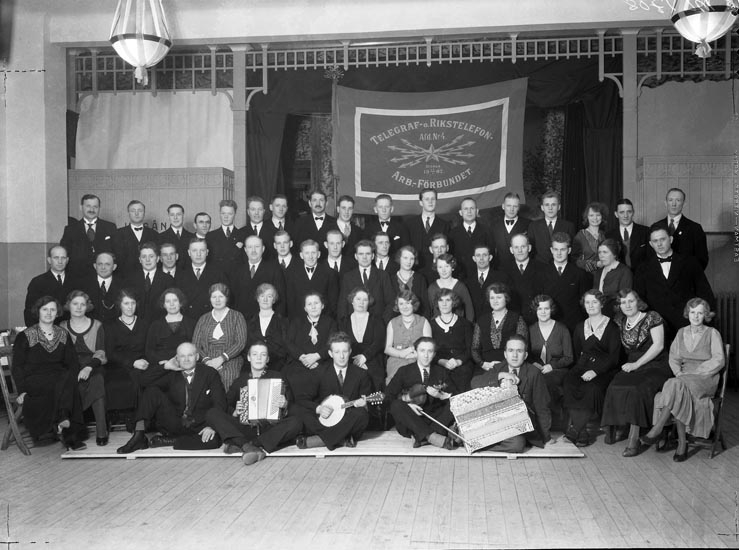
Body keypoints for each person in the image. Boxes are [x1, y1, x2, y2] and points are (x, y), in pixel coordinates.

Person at [641, 298, 725, 462]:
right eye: (693, 312)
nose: (696, 316)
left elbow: (718, 360)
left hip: (705, 377)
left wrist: (698, 372)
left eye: (700, 313)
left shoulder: (712, 333)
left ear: (706, 315)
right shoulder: (681, 332)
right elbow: (674, 357)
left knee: (675, 385)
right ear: (688, 313)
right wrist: (678, 372)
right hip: (683, 378)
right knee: (677, 386)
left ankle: (658, 428)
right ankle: (681, 444)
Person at [116, 342, 227, 453]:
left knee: (215, 440)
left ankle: (171, 441)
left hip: (200, 425)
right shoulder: (171, 372)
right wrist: (166, 366)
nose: (186, 359)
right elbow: (143, 382)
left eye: (190, 355)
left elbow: (220, 403)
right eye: (182, 356)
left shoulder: (210, 373)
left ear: (197, 357)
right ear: (177, 358)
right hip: (175, 422)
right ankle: (139, 435)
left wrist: (211, 426)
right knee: (152, 391)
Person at [204, 341, 303, 465]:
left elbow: (292, 404)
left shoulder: (278, 377)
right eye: (255, 354)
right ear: (249, 358)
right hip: (246, 429)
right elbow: (226, 406)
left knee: (296, 422)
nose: (259, 358)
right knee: (212, 413)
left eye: (263, 355)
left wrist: (285, 404)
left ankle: (247, 445)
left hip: (270, 428)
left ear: (268, 359)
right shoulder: (240, 380)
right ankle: (250, 446)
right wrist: (235, 412)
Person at [600, 289, 670, 456]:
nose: (627, 305)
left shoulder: (652, 317)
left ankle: (634, 439)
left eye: (631, 301)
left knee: (637, 390)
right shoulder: (620, 321)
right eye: (623, 302)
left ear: (638, 302)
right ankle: (613, 430)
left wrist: (637, 364)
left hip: (656, 364)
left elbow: (658, 345)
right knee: (614, 386)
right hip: (632, 364)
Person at [12, 296, 86, 450]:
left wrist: (73, 377)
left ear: (57, 313)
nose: (48, 313)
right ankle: (68, 431)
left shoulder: (63, 334)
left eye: (52, 310)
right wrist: (22, 391)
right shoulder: (25, 336)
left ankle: (64, 420)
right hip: (34, 380)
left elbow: (72, 362)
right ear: (38, 311)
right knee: (63, 382)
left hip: (59, 377)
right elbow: (17, 367)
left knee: (68, 379)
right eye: (44, 309)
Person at [470, 334, 551, 452]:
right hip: (495, 422)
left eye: (519, 351)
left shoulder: (534, 373)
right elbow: (475, 383)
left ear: (525, 355)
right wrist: (501, 375)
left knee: (517, 445)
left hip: (518, 425)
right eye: (511, 350)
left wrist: (545, 436)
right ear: (505, 354)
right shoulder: (498, 368)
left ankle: (476, 444)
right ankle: (476, 440)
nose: (514, 355)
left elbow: (542, 406)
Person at [562, 290, 621, 447]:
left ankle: (575, 430)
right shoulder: (580, 326)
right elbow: (577, 352)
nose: (591, 305)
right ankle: (582, 432)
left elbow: (614, 358)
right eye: (587, 302)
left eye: (594, 302)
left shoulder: (612, 327)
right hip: (583, 366)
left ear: (601, 304)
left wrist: (596, 371)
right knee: (569, 383)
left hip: (605, 369)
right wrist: (583, 368)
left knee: (591, 388)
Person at [294, 332, 372, 450]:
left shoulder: (361, 374)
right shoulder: (319, 372)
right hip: (325, 420)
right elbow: (302, 399)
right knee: (304, 414)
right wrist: (319, 409)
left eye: (345, 351)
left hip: (347, 421)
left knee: (362, 414)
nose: (341, 356)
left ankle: (319, 441)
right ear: (330, 353)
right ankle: (341, 439)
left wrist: (364, 405)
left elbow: (368, 403)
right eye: (337, 352)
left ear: (350, 351)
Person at [634, 225, 714, 339]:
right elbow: (640, 299)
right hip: (657, 328)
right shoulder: (642, 268)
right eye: (655, 241)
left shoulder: (690, 263)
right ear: (651, 244)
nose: (659, 244)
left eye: (662, 239)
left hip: (687, 324)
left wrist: (706, 320)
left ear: (671, 239)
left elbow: (704, 292)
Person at [386, 337, 455, 449]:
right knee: (395, 405)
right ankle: (432, 437)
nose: (426, 355)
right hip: (411, 420)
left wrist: (440, 395)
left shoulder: (441, 371)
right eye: (422, 351)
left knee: (455, 403)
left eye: (430, 351)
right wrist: (408, 406)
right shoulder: (404, 371)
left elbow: (455, 396)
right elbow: (388, 396)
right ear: (415, 352)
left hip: (435, 420)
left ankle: (422, 436)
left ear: (434, 354)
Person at [60, 290, 109, 446]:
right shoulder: (62, 327)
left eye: (83, 304)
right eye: (75, 304)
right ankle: (74, 431)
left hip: (94, 364)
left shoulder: (97, 325)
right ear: (68, 305)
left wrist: (88, 368)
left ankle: (102, 431)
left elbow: (101, 352)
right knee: (69, 385)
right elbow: (61, 355)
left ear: (87, 306)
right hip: (71, 366)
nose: (79, 307)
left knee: (97, 381)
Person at [528, 294, 573, 429]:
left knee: (545, 382)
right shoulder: (530, 330)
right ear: (535, 310)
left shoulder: (562, 329)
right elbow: (528, 355)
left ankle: (548, 424)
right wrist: (535, 365)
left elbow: (569, 357)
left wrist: (552, 366)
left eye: (546, 308)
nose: (543, 312)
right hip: (537, 369)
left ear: (551, 309)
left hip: (558, 370)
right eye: (540, 309)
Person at [192, 283, 247, 391]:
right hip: (207, 360)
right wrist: (207, 361)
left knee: (228, 378)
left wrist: (221, 359)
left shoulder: (237, 316)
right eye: (214, 297)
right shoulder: (203, 319)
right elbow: (195, 345)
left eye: (221, 296)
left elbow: (240, 343)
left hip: (230, 360)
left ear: (226, 298)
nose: (217, 300)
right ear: (210, 299)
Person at [104, 289, 149, 415]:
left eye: (133, 303)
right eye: (126, 303)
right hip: (119, 366)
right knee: (130, 380)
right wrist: (132, 362)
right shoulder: (110, 326)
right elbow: (110, 353)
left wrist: (144, 361)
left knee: (143, 378)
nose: (130, 307)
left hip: (143, 363)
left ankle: (140, 418)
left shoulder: (144, 324)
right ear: (120, 305)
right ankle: (135, 418)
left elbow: (149, 347)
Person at [471, 282, 528, 376]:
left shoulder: (517, 319)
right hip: (486, 367)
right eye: (492, 298)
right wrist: (483, 364)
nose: (495, 301)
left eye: (499, 297)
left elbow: (523, 347)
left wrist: (506, 365)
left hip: (511, 367)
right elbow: (474, 348)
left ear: (506, 298)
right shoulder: (482, 320)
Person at [537, 232, 589, 333]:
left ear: (569, 250)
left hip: (573, 325)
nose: (559, 253)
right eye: (556, 249)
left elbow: (583, 304)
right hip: (549, 324)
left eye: (562, 249)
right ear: (551, 250)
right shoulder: (541, 273)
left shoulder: (579, 274)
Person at [337, 287, 386, 391]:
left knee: (375, 385)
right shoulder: (344, 321)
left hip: (372, 359)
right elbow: (342, 344)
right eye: (358, 299)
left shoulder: (377, 320)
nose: (361, 302)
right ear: (352, 301)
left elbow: (379, 343)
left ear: (369, 302)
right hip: (350, 359)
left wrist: (364, 357)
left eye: (365, 300)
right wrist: (356, 361)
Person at [338, 240, 395, 324]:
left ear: (372, 256)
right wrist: (346, 325)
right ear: (356, 256)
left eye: (368, 254)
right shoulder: (348, 277)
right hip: (354, 325)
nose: (364, 257)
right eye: (361, 254)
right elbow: (343, 305)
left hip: (378, 324)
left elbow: (391, 302)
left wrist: (383, 323)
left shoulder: (383, 275)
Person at [60, 194, 117, 277]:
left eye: (95, 207)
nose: (92, 210)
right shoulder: (70, 229)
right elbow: (64, 253)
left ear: (99, 208)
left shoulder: (110, 227)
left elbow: (116, 252)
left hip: (103, 276)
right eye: (88, 206)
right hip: (78, 276)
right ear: (81, 207)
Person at [231, 234, 286, 319]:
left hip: (265, 321)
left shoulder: (274, 270)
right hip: (241, 321)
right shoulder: (237, 271)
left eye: (257, 246)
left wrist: (276, 321)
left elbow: (281, 300)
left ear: (263, 249)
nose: (253, 250)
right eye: (250, 247)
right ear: (245, 250)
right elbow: (233, 300)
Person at [431, 289, 474, 393]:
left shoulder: (465, 324)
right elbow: (429, 350)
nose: (444, 304)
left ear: (453, 302)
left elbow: (470, 349)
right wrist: (441, 361)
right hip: (439, 364)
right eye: (441, 300)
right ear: (437, 303)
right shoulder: (430, 325)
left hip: (462, 364)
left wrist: (458, 361)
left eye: (448, 300)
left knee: (463, 380)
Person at [384, 290, 432, 385]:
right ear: (397, 306)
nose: (404, 307)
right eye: (401, 304)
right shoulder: (392, 323)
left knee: (417, 384)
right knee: (395, 382)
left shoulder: (424, 321)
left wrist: (415, 355)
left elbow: (429, 347)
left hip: (419, 359)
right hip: (396, 360)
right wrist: (401, 354)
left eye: (408, 303)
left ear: (413, 304)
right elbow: (387, 348)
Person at [175, 238, 229, 320]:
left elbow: (225, 300)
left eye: (202, 250)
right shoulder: (180, 275)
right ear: (189, 252)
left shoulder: (218, 274)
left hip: (211, 319)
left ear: (207, 252)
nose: (198, 254)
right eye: (194, 251)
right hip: (187, 320)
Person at [655, 188, 709, 269]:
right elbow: (650, 257)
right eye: (670, 200)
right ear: (665, 203)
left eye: (678, 200)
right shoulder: (656, 227)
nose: (674, 204)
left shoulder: (695, 229)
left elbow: (702, 259)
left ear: (684, 204)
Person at [24, 245, 78, 326]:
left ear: (67, 260)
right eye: (56, 258)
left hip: (72, 328)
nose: (60, 261)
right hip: (47, 329)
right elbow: (30, 311)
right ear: (49, 260)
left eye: (63, 258)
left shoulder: (77, 281)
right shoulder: (37, 282)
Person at [284, 239, 338, 319]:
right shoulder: (291, 274)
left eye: (313, 253)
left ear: (318, 254)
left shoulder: (330, 273)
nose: (310, 256)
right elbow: (290, 302)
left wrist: (325, 320)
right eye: (307, 253)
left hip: (323, 320)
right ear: (301, 255)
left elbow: (333, 302)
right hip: (299, 321)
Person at [122, 241, 175, 323]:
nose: (147, 260)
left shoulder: (168, 280)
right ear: (140, 260)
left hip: (160, 325)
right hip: (136, 325)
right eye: (144, 257)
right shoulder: (130, 280)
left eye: (151, 256)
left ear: (157, 259)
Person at [501, 233, 546, 324]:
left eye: (523, 246)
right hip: (512, 320)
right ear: (511, 250)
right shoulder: (503, 270)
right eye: (516, 247)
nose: (520, 250)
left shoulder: (542, 268)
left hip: (536, 319)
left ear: (529, 248)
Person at [145, 288, 196, 367]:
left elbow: (196, 348)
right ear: (164, 305)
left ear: (181, 303)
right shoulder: (155, 325)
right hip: (163, 367)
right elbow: (149, 351)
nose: (172, 304)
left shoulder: (192, 324)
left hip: (186, 366)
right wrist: (163, 363)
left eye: (175, 300)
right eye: (168, 301)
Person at [245, 283, 289, 372]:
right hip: (253, 367)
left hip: (278, 367)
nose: (265, 299)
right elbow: (246, 347)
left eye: (269, 296)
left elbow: (286, 347)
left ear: (274, 300)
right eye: (262, 296)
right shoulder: (249, 322)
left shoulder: (283, 321)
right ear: (258, 299)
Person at [464, 244, 512, 321]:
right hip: (474, 322)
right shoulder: (467, 281)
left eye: (484, 255)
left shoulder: (502, 278)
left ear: (490, 257)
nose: (481, 258)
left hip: (495, 321)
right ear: (474, 258)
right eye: (478, 255)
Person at [448, 197, 493, 279]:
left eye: (472, 208)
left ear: (477, 211)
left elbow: (492, 254)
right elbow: (451, 257)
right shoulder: (452, 233)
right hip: (460, 277)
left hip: (482, 276)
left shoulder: (486, 231)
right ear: (460, 212)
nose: (469, 211)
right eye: (466, 209)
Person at [406, 188, 450, 269]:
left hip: (437, 269)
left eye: (433, 199)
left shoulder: (445, 225)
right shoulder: (409, 224)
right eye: (427, 199)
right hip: (415, 269)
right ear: (420, 202)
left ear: (436, 201)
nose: (430, 202)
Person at [113, 200, 159, 277]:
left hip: (149, 278)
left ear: (144, 213)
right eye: (133, 211)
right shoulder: (118, 234)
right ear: (128, 213)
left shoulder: (154, 234)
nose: (136, 213)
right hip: (124, 278)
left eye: (140, 211)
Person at [528, 191, 576, 263]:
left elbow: (572, 252)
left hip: (561, 267)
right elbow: (530, 251)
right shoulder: (533, 226)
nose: (550, 208)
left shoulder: (569, 226)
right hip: (539, 267)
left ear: (559, 207)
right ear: (542, 207)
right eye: (547, 205)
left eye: (553, 205)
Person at [605, 198, 650, 272]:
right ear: (616, 214)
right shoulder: (609, 235)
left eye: (629, 212)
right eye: (622, 212)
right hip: (618, 276)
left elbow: (651, 257)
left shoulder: (646, 231)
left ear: (633, 213)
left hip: (642, 276)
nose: (625, 215)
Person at [427, 253, 475, 322]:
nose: (443, 270)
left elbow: (469, 311)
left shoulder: (461, 287)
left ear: (452, 267)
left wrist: (468, 326)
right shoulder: (432, 288)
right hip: (437, 326)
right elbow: (429, 311)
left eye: (447, 266)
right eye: (440, 267)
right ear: (436, 269)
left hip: (458, 325)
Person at [592, 239, 632, 317]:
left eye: (605, 252)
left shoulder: (624, 271)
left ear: (614, 254)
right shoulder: (598, 272)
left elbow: (624, 298)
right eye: (599, 252)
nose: (601, 256)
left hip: (617, 316)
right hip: (599, 315)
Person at [291, 189, 338, 257]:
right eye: (314, 200)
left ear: (326, 203)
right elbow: (294, 248)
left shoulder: (335, 223)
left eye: (321, 200)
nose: (318, 203)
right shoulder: (299, 223)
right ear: (310, 203)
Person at [490, 192, 530, 268]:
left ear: (519, 207)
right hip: (499, 269)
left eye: (515, 206)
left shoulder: (529, 224)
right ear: (503, 206)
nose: (512, 209)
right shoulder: (494, 226)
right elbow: (491, 250)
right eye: (508, 206)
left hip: (522, 268)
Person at [83, 251, 125, 324]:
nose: (103, 267)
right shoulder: (84, 285)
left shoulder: (123, 286)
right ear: (95, 266)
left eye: (107, 264)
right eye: (100, 264)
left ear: (114, 267)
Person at [390, 245, 430, 318]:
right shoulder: (391, 279)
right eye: (405, 258)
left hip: (417, 320)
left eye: (412, 258)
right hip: (395, 321)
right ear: (399, 258)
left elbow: (425, 306)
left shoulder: (420, 279)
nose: (409, 262)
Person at [206, 199, 245, 272]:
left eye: (230, 214)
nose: (226, 217)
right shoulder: (210, 236)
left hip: (237, 275)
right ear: (219, 214)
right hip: (217, 275)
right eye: (223, 213)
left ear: (235, 214)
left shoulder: (243, 235)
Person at [572, 202, 608, 273]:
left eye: (598, 215)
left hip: (604, 274)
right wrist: (595, 264)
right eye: (591, 215)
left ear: (602, 217)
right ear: (587, 217)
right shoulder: (580, 236)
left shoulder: (604, 235)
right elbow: (575, 260)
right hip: (586, 275)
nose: (595, 218)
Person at [158, 203, 194, 268]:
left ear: (183, 215)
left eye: (178, 214)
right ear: (168, 216)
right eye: (172, 215)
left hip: (188, 273)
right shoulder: (160, 237)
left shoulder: (192, 237)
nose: (175, 218)